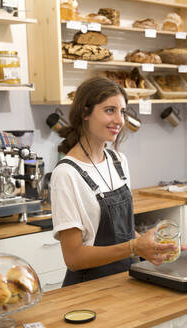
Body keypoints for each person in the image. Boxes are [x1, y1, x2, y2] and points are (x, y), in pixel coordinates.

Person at [50, 77, 177, 286]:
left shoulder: (118, 160)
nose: (119, 120)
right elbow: (73, 258)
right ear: (85, 113)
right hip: (88, 289)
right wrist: (134, 247)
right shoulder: (66, 174)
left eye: (123, 111)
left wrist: (153, 246)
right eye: (110, 110)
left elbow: (124, 233)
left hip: (126, 281)